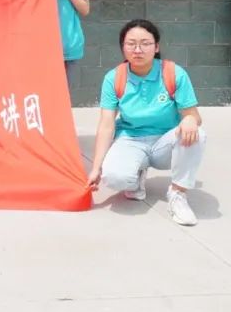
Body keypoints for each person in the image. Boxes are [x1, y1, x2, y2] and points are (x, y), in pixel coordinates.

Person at [86, 19, 206, 226]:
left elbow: (194, 115)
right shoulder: (114, 78)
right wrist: (96, 168)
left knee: (198, 134)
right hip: (131, 139)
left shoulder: (173, 73)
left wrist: (189, 119)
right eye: (131, 44)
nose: (138, 50)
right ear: (123, 47)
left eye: (145, 43)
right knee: (114, 177)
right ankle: (136, 175)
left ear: (156, 47)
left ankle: (178, 195)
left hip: (166, 142)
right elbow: (106, 125)